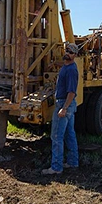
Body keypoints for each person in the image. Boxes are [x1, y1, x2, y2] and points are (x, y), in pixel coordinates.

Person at [42, 42, 80, 175]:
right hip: (68, 105)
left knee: (57, 136)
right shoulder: (66, 66)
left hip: (64, 104)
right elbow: (62, 65)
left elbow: (71, 92)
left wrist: (63, 108)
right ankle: (73, 162)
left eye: (70, 52)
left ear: (75, 55)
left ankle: (56, 167)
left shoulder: (71, 70)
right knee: (70, 135)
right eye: (66, 51)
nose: (67, 53)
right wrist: (54, 65)